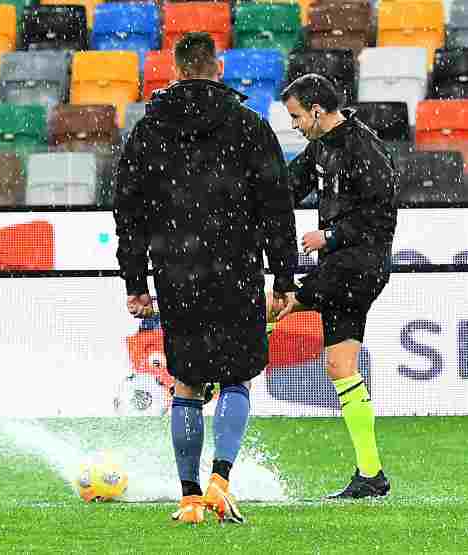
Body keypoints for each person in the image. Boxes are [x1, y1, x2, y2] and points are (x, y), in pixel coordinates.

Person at [113, 32, 298, 524]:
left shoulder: (149, 130)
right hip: (236, 269)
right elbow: (277, 207)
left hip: (176, 272)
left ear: (175, 69)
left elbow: (128, 211)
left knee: (188, 385)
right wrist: (284, 276)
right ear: (217, 68)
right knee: (237, 379)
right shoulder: (248, 125)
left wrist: (135, 281)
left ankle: (190, 497)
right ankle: (221, 478)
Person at [272, 73, 397, 499]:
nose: (294, 124)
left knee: (278, 305)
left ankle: (209, 378)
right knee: (340, 368)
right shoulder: (321, 148)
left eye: (295, 116)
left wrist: (331, 236)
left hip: (358, 265)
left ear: (317, 111)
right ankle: (371, 475)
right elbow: (286, 188)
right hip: (344, 266)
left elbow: (382, 212)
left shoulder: (364, 147)